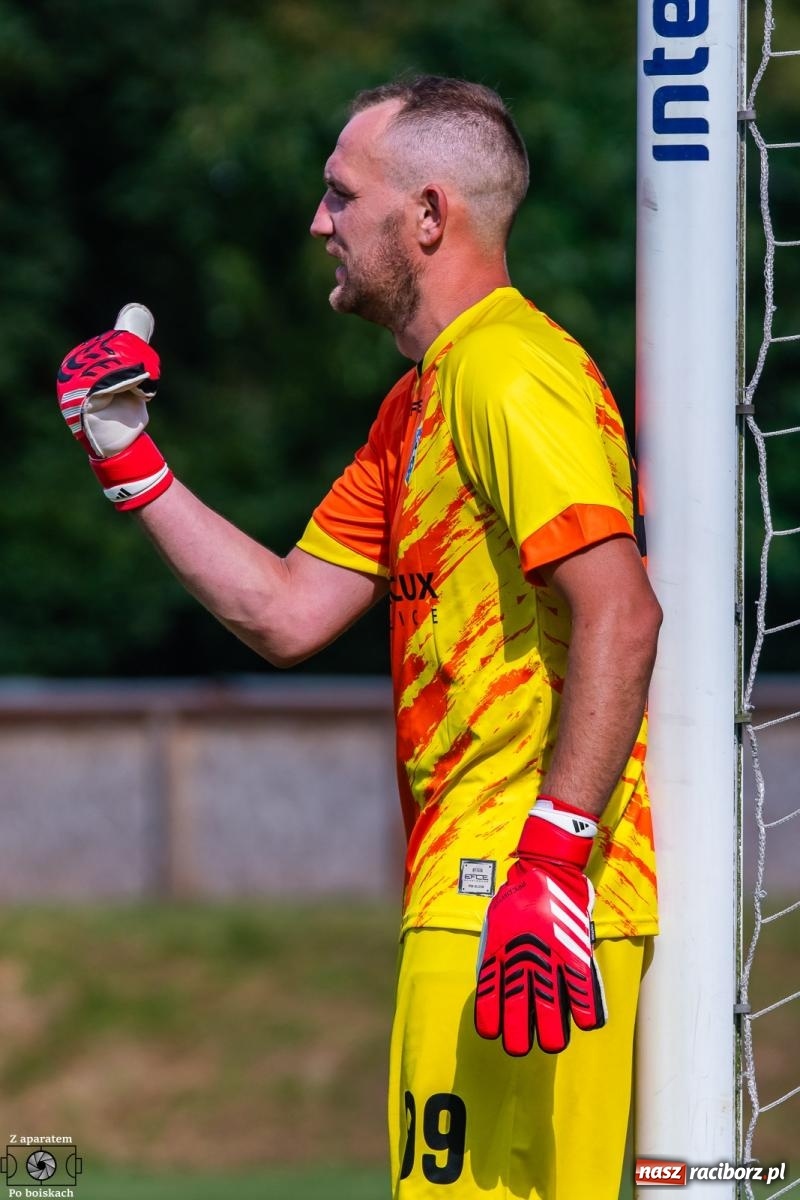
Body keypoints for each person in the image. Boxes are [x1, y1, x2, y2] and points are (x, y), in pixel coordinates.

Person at [56, 75, 662, 1200]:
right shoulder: (418, 404)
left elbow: (621, 607)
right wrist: (128, 462)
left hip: (522, 898)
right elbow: (287, 611)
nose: (316, 224)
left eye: (341, 196)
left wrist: (549, 862)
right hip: (477, 891)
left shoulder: (502, 367)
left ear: (427, 215)